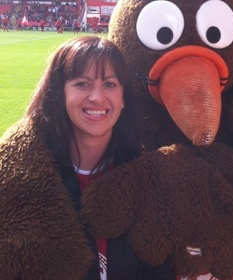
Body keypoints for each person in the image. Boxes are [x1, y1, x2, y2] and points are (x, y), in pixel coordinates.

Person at [0, 36, 175, 280]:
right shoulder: (21, 177)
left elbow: (159, 267)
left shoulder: (146, 176)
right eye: (82, 84)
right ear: (59, 93)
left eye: (110, 85)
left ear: (123, 98)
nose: (97, 97)